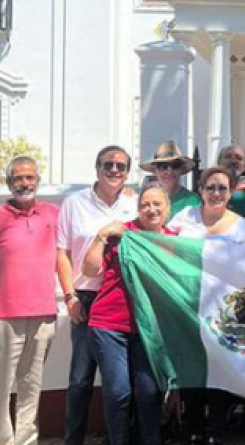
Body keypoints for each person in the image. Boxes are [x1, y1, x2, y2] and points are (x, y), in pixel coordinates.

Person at [0, 157, 60, 445]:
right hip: (2, 317)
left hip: (43, 316)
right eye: (19, 178)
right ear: (9, 184)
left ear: (38, 181)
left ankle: (26, 441)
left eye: (30, 177)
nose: (25, 183)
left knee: (31, 388)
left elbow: (84, 226)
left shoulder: (53, 214)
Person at [168, 167, 245, 445]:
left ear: (231, 192)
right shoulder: (184, 218)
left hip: (224, 307)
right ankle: (194, 426)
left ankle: (216, 429)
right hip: (189, 301)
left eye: (222, 188)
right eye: (210, 187)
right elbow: (164, 248)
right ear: (201, 191)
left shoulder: (243, 227)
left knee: (221, 366)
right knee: (193, 365)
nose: (216, 193)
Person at [82, 184, 176, 445]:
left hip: (149, 331)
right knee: (119, 393)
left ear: (168, 209)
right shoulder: (122, 234)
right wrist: (101, 235)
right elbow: (89, 271)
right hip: (109, 325)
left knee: (149, 392)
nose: (151, 209)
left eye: (158, 204)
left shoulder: (173, 241)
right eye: (145, 204)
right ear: (138, 209)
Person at [57, 145, 138, 445]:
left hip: (120, 298)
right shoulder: (74, 203)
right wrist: (69, 297)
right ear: (97, 168)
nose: (114, 171)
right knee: (80, 378)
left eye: (120, 166)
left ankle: (117, 438)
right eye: (108, 165)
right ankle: (72, 440)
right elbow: (62, 254)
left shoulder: (133, 204)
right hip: (86, 298)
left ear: (128, 173)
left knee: (120, 380)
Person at [141, 140, 199, 220]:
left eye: (175, 165)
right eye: (163, 166)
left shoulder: (193, 201)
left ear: (181, 169)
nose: (169, 171)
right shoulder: (144, 198)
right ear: (154, 170)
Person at [218, 144, 245, 221]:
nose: (233, 161)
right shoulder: (208, 191)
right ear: (219, 162)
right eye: (228, 157)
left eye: (239, 158)